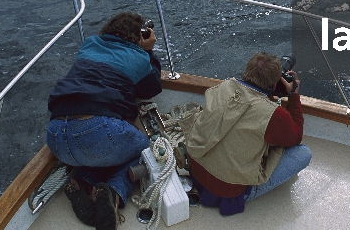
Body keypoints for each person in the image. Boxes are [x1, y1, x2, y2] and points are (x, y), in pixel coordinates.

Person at [46, 12, 161, 230]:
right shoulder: (137, 57)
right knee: (144, 149)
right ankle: (114, 191)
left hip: (56, 135)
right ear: (140, 36)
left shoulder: (89, 45)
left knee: (102, 148)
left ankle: (82, 181)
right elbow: (152, 87)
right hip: (96, 131)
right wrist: (149, 51)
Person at [185, 52, 312, 215]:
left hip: (197, 171)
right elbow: (295, 137)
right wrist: (293, 95)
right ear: (274, 84)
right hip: (228, 192)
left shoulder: (224, 86)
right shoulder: (274, 115)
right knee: (303, 153)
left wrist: (270, 92)